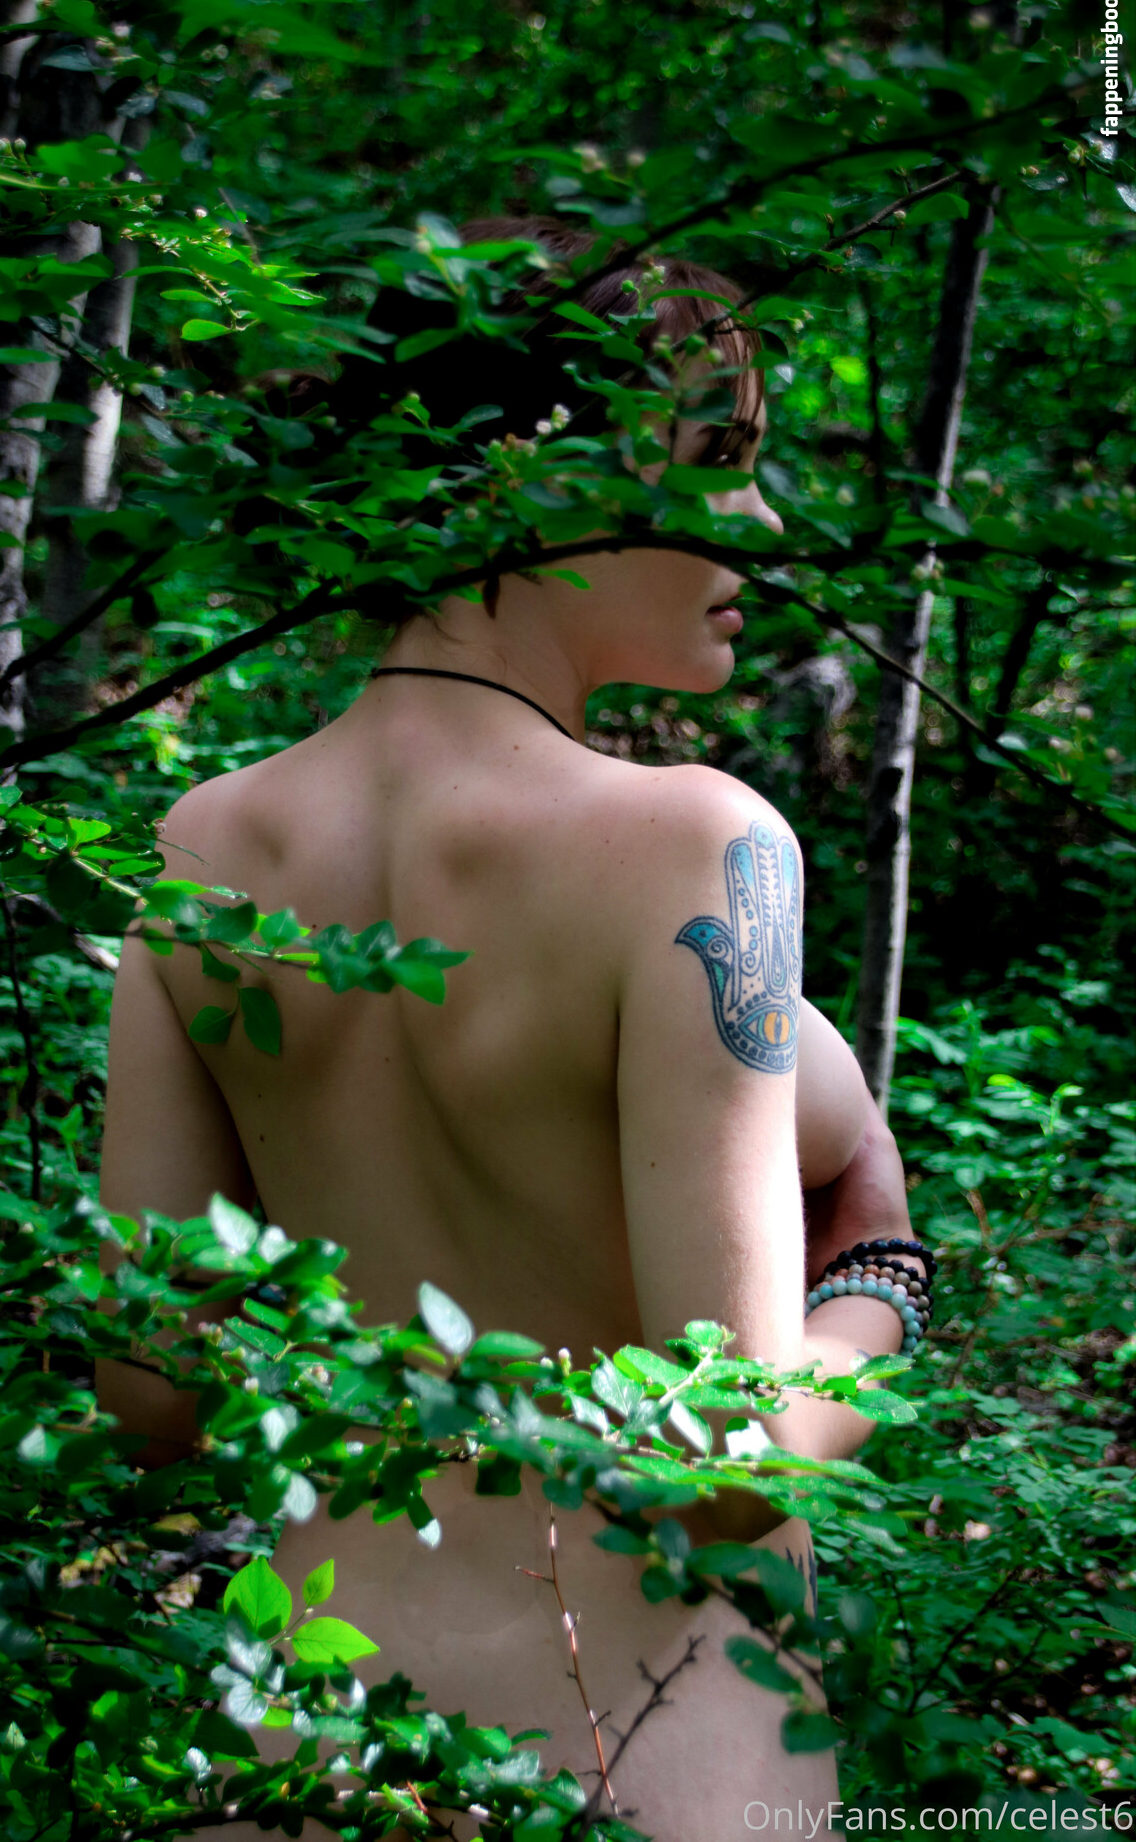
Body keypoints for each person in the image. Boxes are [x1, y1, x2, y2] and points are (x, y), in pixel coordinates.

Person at [98, 217, 925, 1839]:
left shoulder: (199, 849)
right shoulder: (698, 846)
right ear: (533, 483)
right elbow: (730, 1462)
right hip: (647, 1756)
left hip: (299, 1746)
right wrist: (881, 1286)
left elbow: (147, 1395)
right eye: (719, 456)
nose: (760, 519)